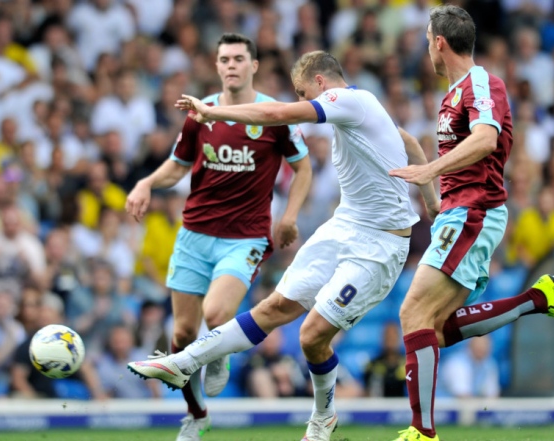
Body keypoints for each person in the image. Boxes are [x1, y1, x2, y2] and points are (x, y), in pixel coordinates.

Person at [128, 49, 439, 441]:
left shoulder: (349, 100)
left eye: (302, 91)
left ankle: (323, 416)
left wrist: (216, 113)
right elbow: (408, 141)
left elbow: (276, 115)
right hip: (343, 227)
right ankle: (185, 362)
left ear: (320, 82)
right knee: (274, 306)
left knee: (311, 336)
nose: (300, 98)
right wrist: (430, 200)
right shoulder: (363, 108)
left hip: (379, 246)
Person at [387, 6, 554, 441]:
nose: (426, 48)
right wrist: (437, 198)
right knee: (431, 330)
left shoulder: (480, 82)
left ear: (439, 42)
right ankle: (538, 299)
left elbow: (486, 138)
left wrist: (429, 170)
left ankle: (422, 432)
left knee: (411, 312)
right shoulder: (452, 94)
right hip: (459, 211)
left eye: (426, 39)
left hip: (475, 212)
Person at [124, 33, 312, 441]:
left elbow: (304, 168)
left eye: (239, 58)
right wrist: (145, 183)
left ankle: (219, 353)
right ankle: (196, 415)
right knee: (179, 337)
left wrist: (289, 216)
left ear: (254, 65)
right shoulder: (199, 114)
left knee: (215, 314)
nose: (231, 65)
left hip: (244, 238)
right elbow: (177, 167)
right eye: (224, 58)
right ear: (216, 65)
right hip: (194, 234)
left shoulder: (273, 114)